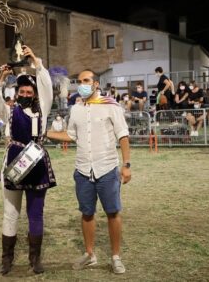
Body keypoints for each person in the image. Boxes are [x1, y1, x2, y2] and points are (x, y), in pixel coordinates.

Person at [47, 69, 131, 274]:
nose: (82, 84)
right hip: (83, 169)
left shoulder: (111, 105)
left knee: (113, 213)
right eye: (79, 81)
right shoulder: (76, 109)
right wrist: (45, 132)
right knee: (86, 214)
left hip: (107, 168)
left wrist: (126, 164)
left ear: (96, 84)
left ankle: (115, 257)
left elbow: (123, 135)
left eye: (86, 80)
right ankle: (89, 254)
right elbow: (71, 135)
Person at [0, 45, 55, 275]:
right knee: (10, 213)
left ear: (35, 93)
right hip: (14, 165)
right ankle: (7, 259)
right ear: (16, 93)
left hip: (36, 165)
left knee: (36, 213)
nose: (25, 95)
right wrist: (1, 78)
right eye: (22, 92)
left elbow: (46, 84)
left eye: (29, 92)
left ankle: (34, 259)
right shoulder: (10, 110)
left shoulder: (43, 109)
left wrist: (36, 61)